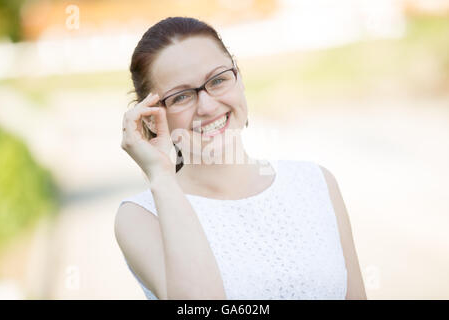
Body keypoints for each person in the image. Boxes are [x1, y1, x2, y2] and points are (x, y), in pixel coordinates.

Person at [114, 16, 366, 300]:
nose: (207, 106)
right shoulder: (140, 217)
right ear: (149, 119)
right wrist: (160, 175)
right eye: (181, 97)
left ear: (239, 77)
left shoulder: (317, 183)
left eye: (218, 80)